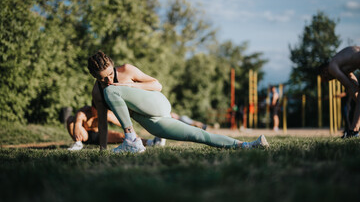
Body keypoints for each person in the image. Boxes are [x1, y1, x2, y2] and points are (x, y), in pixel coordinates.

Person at [87, 50, 269, 153]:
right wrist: (103, 151)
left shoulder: (126, 70)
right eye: (102, 79)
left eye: (110, 74)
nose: (108, 80)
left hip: (157, 103)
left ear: (113, 66)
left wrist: (130, 86)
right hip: (154, 122)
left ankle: (131, 139)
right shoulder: (98, 92)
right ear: (94, 76)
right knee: (197, 135)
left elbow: (157, 85)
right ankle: (248, 145)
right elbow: (102, 122)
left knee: (112, 90)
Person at [66, 103, 164, 151]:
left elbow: (123, 124)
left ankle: (153, 142)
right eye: (98, 110)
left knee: (122, 136)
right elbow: (77, 122)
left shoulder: (105, 113)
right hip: (84, 135)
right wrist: (78, 123)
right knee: (71, 120)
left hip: (99, 135)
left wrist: (133, 135)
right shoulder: (83, 113)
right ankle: (78, 144)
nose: (101, 111)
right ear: (93, 108)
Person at [319, 46, 360, 138]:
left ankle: (354, 131)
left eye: (326, 78)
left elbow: (349, 86)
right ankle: (354, 130)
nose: (329, 80)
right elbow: (353, 82)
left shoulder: (332, 67)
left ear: (324, 71)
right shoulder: (342, 64)